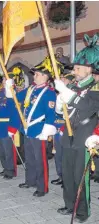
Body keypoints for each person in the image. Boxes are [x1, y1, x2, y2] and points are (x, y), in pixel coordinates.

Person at [55, 34, 99, 222]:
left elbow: (86, 106)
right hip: (68, 135)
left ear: (90, 69)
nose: (75, 70)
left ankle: (82, 211)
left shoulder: (96, 88)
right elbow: (63, 110)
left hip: (84, 136)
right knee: (67, 173)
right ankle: (69, 204)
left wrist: (66, 93)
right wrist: (59, 101)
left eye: (79, 67)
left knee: (80, 177)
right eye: (75, 67)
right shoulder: (72, 85)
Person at [5, 56, 62, 197]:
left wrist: (46, 131)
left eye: (36, 74)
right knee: (29, 157)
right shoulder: (31, 89)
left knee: (40, 160)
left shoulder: (49, 93)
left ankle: (43, 187)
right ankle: (30, 180)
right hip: (28, 128)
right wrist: (9, 86)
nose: (34, 76)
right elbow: (16, 96)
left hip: (39, 130)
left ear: (44, 76)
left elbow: (51, 114)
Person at [51, 72, 75, 187]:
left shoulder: (72, 94)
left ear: (70, 81)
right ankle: (61, 176)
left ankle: (68, 179)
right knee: (58, 155)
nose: (61, 81)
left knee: (67, 156)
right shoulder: (58, 94)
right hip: (57, 129)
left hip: (67, 129)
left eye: (63, 79)